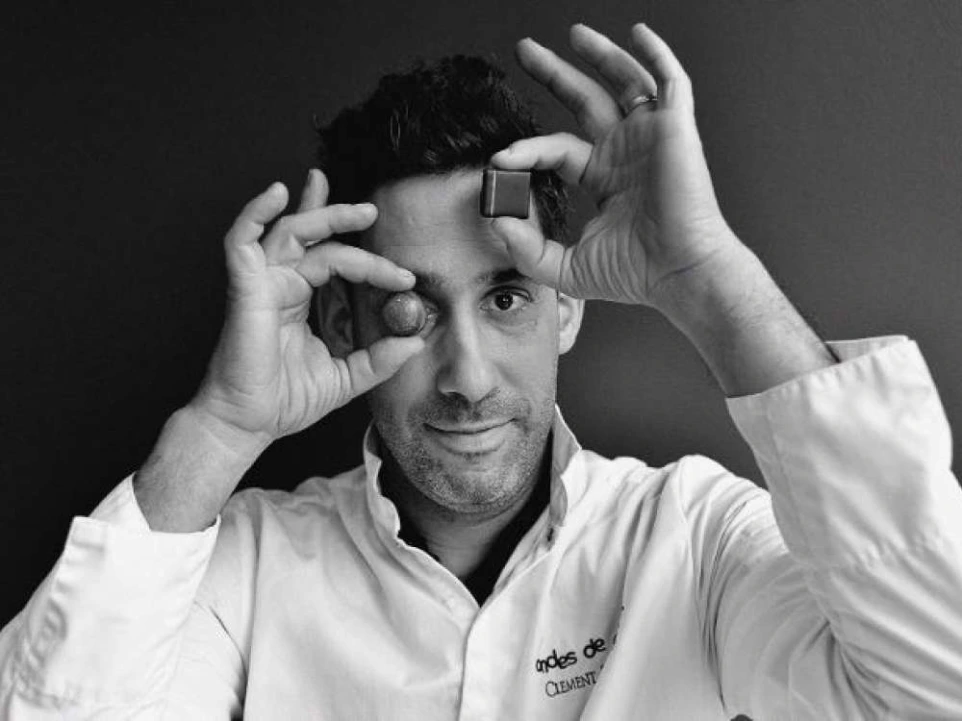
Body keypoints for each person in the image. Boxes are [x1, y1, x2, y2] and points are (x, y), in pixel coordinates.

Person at [1, 21, 960, 720]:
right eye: (411, 309)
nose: (465, 376)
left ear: (567, 303)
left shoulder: (694, 539)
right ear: (340, 321)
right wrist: (220, 426)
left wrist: (706, 278)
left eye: (506, 298)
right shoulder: (244, 570)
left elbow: (936, 683)